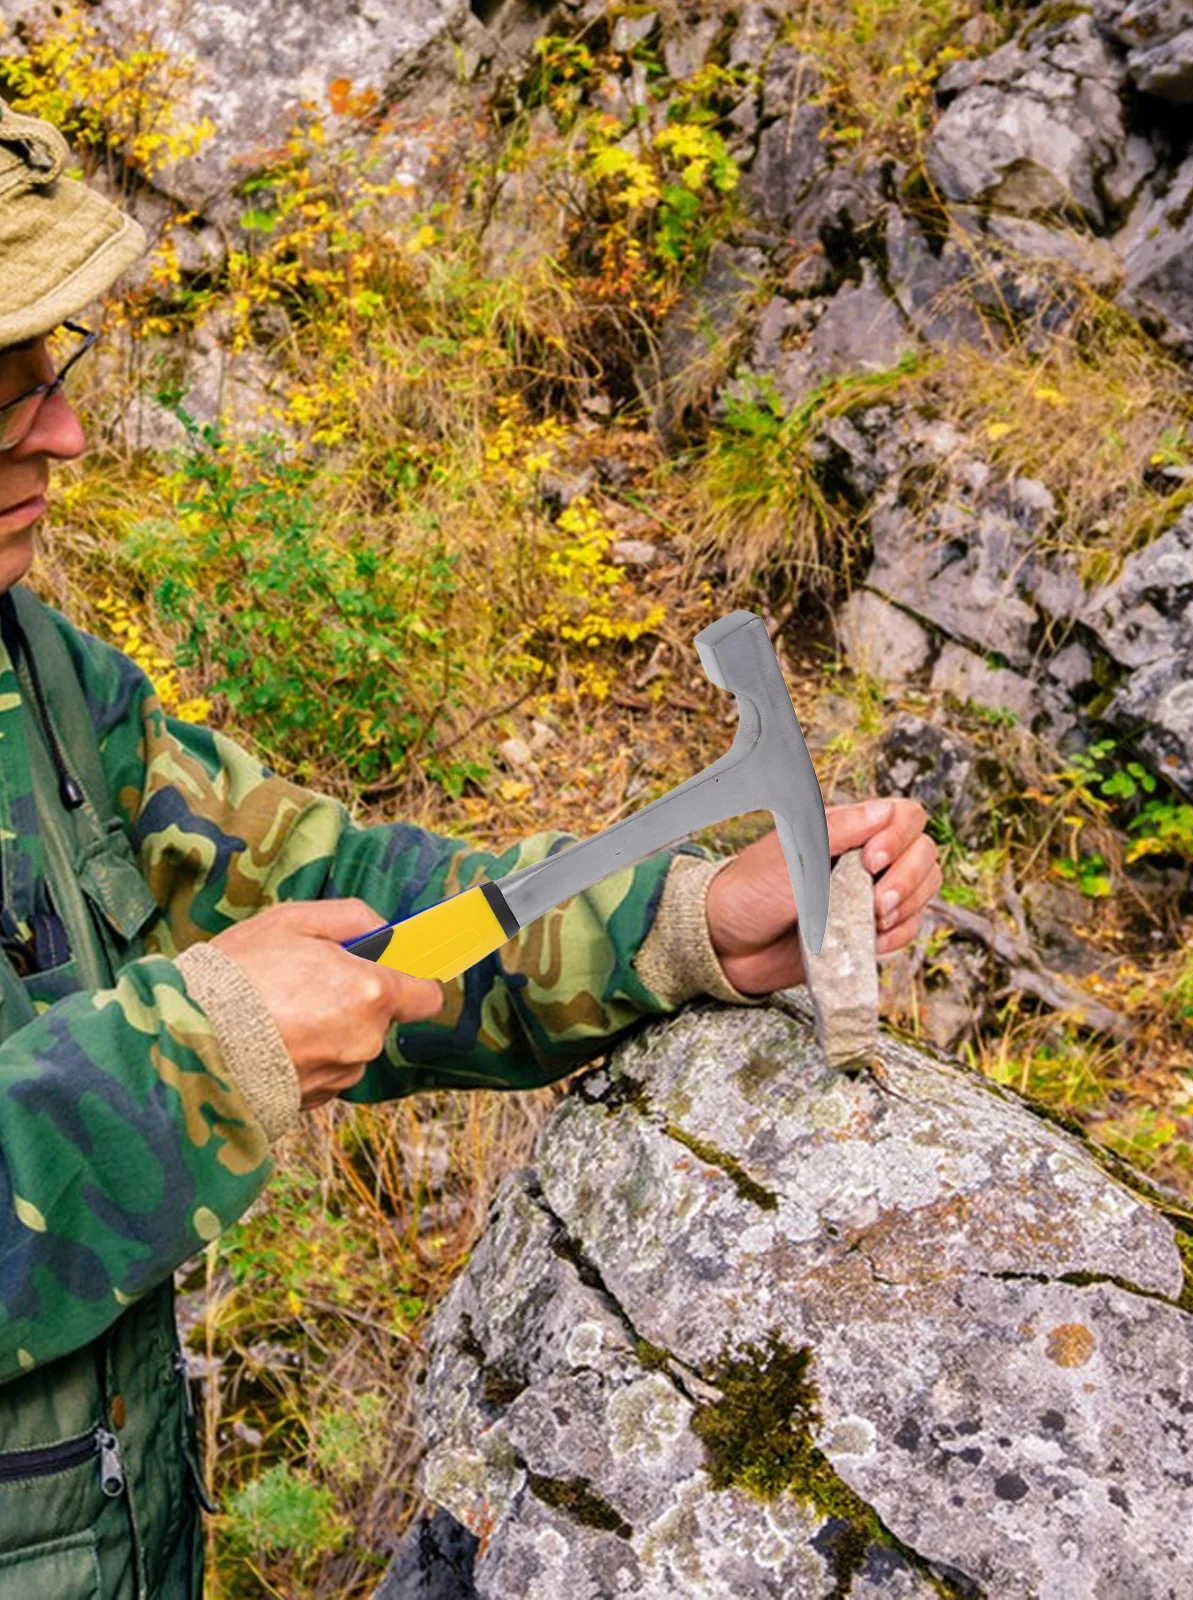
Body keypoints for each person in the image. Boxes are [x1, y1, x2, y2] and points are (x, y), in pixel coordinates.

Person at [0, 96, 940, 1596]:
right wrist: (189, 1064)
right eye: (4, 377)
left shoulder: (39, 683)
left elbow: (344, 900)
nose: (63, 425)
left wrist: (682, 921)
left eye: (56, 360)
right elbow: (203, 1037)